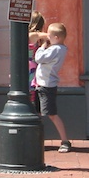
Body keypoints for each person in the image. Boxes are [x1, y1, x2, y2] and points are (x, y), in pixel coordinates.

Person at [34, 22, 71, 152]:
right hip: (42, 84)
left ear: (56, 37)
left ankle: (65, 141)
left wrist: (42, 46)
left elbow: (39, 58)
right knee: (37, 113)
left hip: (46, 86)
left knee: (52, 114)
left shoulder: (55, 49)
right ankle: (37, 139)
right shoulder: (61, 49)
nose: (47, 37)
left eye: (49, 35)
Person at [27, 10, 45, 104]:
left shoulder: (25, 35)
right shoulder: (33, 35)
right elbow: (48, 36)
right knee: (32, 90)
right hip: (32, 67)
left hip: (29, 66)